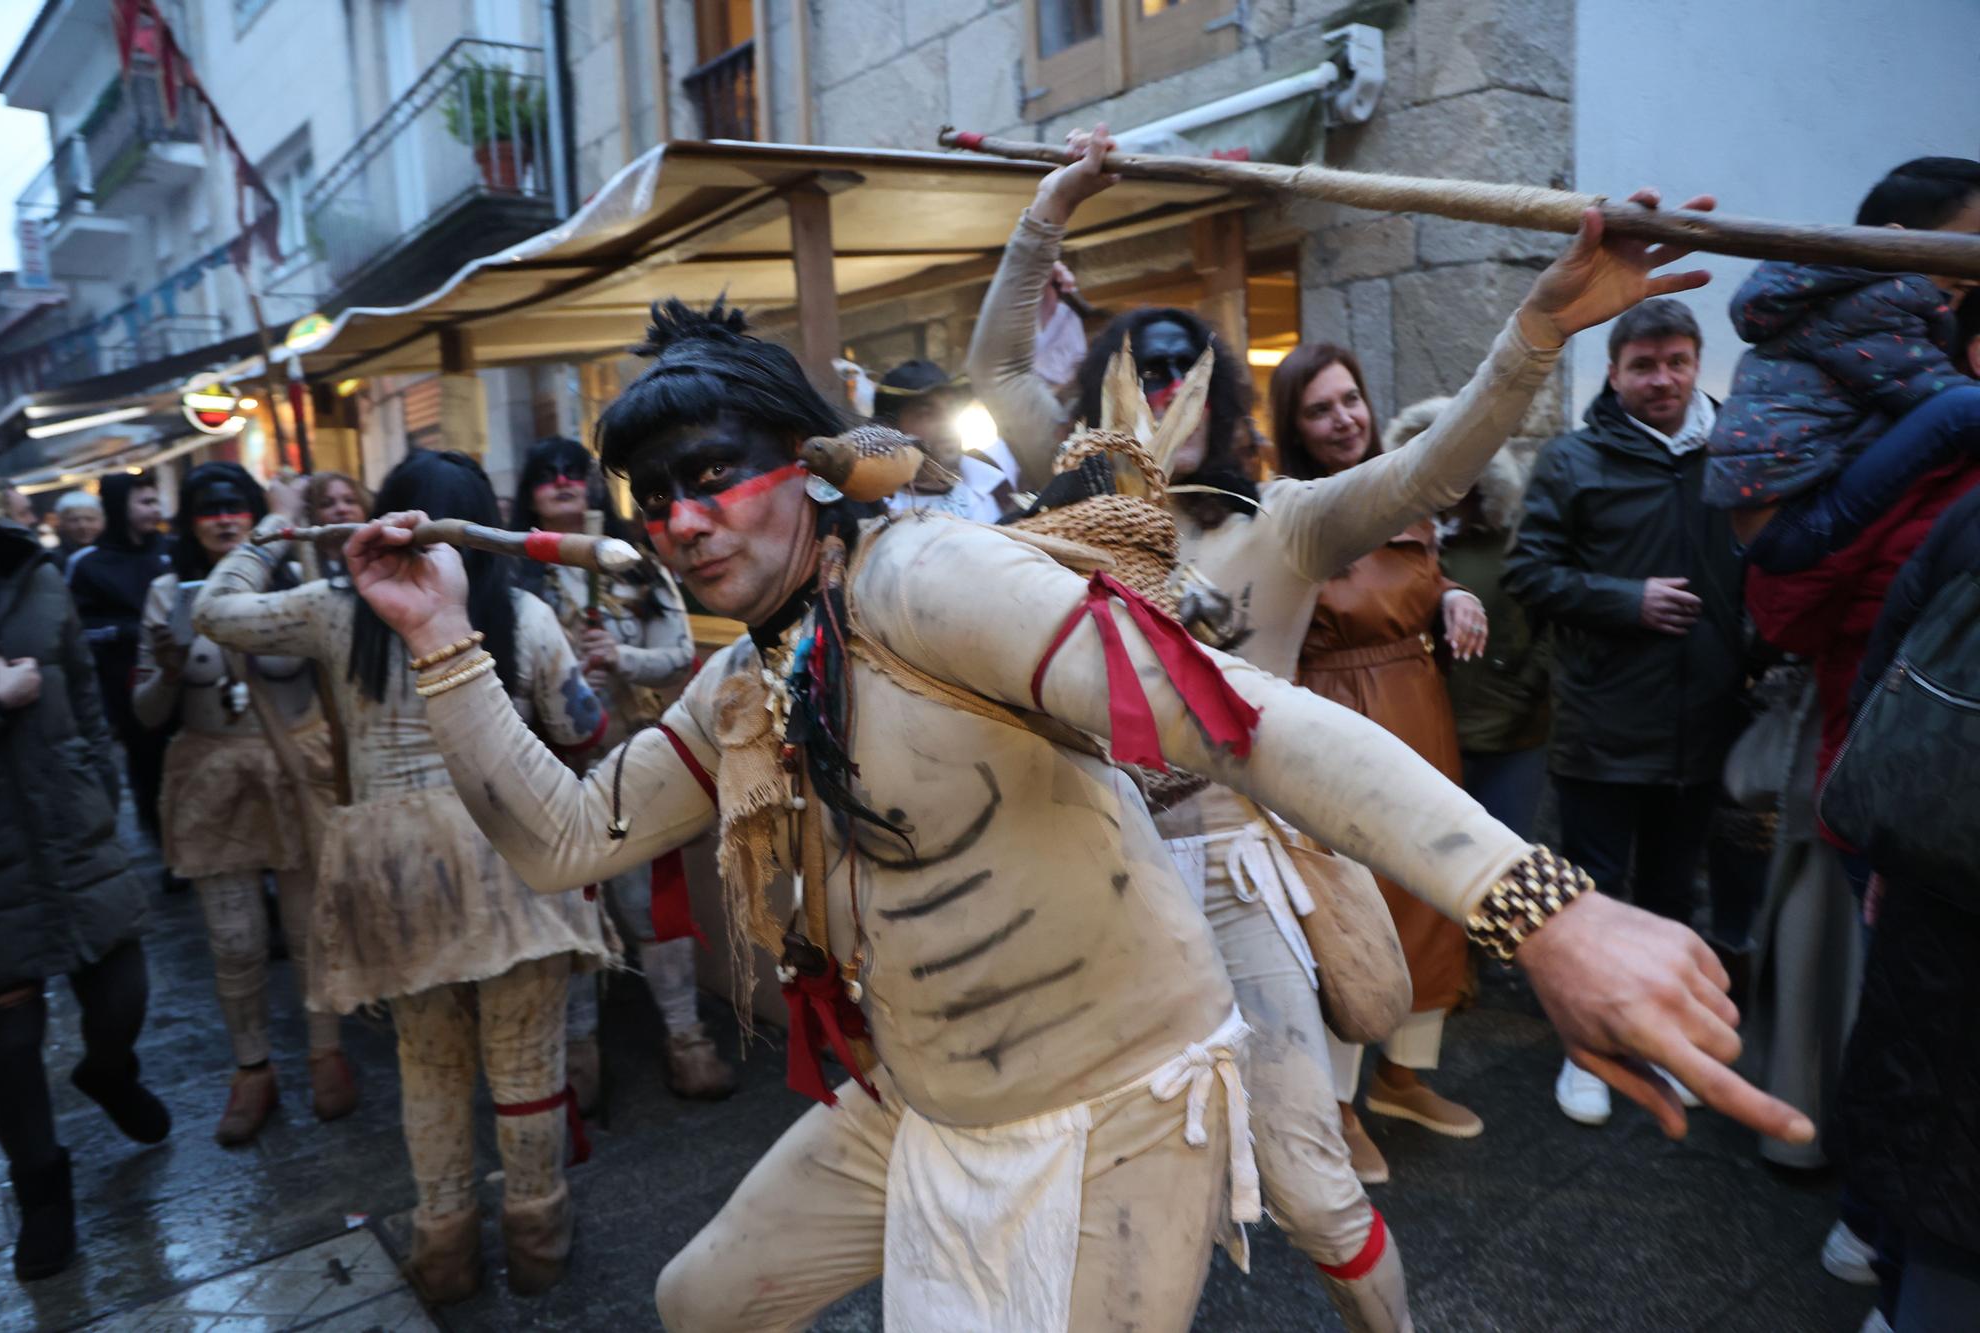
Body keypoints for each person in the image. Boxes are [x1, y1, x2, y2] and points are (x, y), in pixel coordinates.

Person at [347, 294, 1810, 1333]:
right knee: (700, 1299)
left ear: (807, 470)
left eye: (710, 476)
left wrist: (1542, 904)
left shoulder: (925, 580)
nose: (676, 519)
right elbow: (563, 837)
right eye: (650, 494)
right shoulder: (748, 686)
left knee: (1315, 1194)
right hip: (920, 1103)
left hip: (1122, 1102)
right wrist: (438, 641)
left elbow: (1243, 722)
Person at [970, 124, 1719, 1327]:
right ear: (1098, 396)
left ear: (1218, 398)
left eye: (1181, 370)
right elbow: (997, 364)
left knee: (1313, 1184)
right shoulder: (1068, 502)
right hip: (1083, 856)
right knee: (1074, 1153)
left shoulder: (1286, 525)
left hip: (1229, 864)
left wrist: (1535, 332)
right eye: (1136, 371)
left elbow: (1431, 466)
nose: (1159, 392)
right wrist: (1046, 211)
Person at [193, 448, 617, 1302]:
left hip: (391, 867)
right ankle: (538, 1239)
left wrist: (273, 532)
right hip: (512, 850)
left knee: (427, 1068)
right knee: (527, 1070)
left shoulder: (333, 608)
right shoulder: (525, 613)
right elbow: (587, 725)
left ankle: (445, 1250)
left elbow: (214, 610)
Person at [1504, 297, 1747, 1128]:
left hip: (1705, 724)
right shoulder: (1573, 462)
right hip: (1604, 726)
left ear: (1696, 362)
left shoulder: (1731, 450)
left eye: (1677, 361)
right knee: (1595, 904)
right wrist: (1625, 598)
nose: (1662, 379)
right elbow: (1528, 573)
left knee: (1678, 900)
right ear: (1613, 374)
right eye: (1644, 365)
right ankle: (1585, 1053)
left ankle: (1661, 1040)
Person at [1263, 344, 1494, 1172]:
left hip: (1420, 711)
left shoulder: (1404, 491)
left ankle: (1403, 1075)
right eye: (1320, 408)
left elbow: (1421, 586)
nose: (1343, 419)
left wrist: (1456, 593)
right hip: (1335, 723)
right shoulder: (1287, 510)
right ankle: (1334, 1108)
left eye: (1351, 400)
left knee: (1430, 896)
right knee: (1347, 916)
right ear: (1293, 424)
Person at [0, 461, 169, 1282]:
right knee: (8, 1042)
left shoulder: (33, 569)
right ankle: (42, 1189)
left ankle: (107, 1069)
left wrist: (98, 777)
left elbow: (87, 696)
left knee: (123, 983)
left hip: (71, 820)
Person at [133, 463, 355, 1144]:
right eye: (208, 509)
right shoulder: (168, 593)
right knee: (234, 940)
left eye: (236, 507)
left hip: (299, 766)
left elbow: (340, 686)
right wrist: (168, 671)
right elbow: (143, 714)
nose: (223, 519)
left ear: (255, 514)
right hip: (212, 775)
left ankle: (327, 1053)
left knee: (310, 926)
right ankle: (251, 1070)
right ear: (190, 521)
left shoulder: (303, 580)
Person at [509, 436, 733, 1104]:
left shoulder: (637, 563)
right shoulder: (512, 574)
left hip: (633, 758)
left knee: (650, 908)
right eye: (546, 474)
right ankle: (579, 1057)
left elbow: (679, 655)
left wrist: (620, 660)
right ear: (529, 490)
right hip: (546, 766)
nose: (561, 482)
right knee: (570, 913)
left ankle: (685, 1038)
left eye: (574, 472)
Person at [1830, 483, 1980, 1331]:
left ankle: (1880, 1265)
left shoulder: (1966, 506)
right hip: (1940, 887)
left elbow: (1894, 657)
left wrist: (1886, 841)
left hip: (1932, 867)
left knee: (1920, 1115)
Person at [1707, 157, 1980, 575]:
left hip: (1783, 518)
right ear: (1896, 242)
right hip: (1794, 526)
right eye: (1972, 244)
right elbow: (1933, 394)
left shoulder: (1836, 289)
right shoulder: (1880, 304)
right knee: (1962, 409)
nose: (1974, 270)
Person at [1386, 397, 1552, 840]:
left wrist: (1523, 689)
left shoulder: (1512, 536)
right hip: (1426, 735)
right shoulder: (1396, 540)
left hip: (1510, 738)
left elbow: (1549, 618)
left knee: (1505, 866)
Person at [68, 473, 173, 854]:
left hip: (183, 676)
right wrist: (133, 631)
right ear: (119, 507)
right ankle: (166, 848)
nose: (155, 510)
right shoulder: (89, 566)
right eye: (144, 502)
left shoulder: (173, 550)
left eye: (155, 500)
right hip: (129, 684)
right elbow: (80, 630)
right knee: (149, 767)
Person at [871, 359, 1014, 521]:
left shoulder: (993, 478)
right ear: (891, 428)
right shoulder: (878, 509)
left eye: (951, 410)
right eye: (927, 414)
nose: (946, 422)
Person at [51, 491, 104, 563]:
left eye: (90, 519)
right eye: (74, 520)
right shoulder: (54, 559)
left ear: (102, 521)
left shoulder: (117, 553)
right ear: (62, 524)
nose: (83, 526)